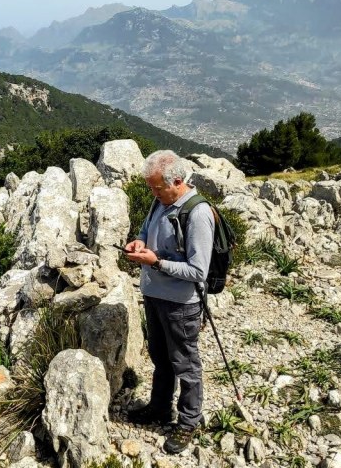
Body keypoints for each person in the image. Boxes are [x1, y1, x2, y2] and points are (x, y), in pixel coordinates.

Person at [122, 150, 214, 455]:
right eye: (150, 187)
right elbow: (146, 232)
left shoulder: (198, 213)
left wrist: (157, 263)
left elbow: (198, 270)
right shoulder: (159, 202)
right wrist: (139, 243)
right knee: (161, 357)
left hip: (181, 303)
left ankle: (189, 421)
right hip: (154, 295)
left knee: (185, 363)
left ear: (177, 181)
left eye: (157, 187)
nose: (153, 193)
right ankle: (160, 407)